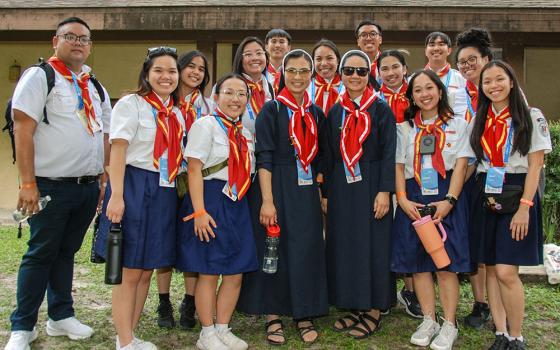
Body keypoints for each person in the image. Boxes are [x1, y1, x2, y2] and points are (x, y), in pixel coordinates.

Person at [6, 16, 111, 350]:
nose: (79, 43)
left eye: (85, 39)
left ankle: (60, 316)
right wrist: (27, 183)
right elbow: (23, 129)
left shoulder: (94, 85)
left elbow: (104, 134)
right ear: (55, 41)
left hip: (86, 186)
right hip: (49, 185)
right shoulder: (40, 77)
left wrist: (104, 176)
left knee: (66, 253)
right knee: (40, 254)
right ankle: (23, 326)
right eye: (71, 36)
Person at [237, 49, 328, 345]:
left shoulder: (315, 113)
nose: (298, 77)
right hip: (275, 185)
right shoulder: (272, 110)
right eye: (292, 71)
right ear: (282, 74)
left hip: (305, 190)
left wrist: (320, 190)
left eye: (304, 71)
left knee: (306, 247)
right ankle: (272, 313)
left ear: (310, 75)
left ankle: (304, 312)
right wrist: (267, 200)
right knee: (272, 248)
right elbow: (263, 157)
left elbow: (322, 160)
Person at [96, 46, 183, 350]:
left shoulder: (176, 113)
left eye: (171, 71)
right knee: (130, 270)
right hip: (134, 185)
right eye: (158, 70)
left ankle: (129, 336)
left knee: (147, 268)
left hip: (164, 190)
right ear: (147, 73)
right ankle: (123, 340)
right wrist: (116, 196)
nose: (165, 76)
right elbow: (118, 150)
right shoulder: (131, 104)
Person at [468, 60, 551, 350]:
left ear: (512, 82)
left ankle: (517, 336)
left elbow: (536, 165)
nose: (493, 86)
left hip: (517, 194)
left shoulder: (530, 116)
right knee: (491, 267)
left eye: (499, 79)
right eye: (487, 81)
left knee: (506, 271)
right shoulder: (479, 118)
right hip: (486, 193)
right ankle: (501, 333)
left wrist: (525, 207)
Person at [391, 70, 471, 350]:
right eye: (417, 90)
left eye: (429, 88)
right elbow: (399, 166)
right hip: (413, 197)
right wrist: (401, 198)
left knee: (445, 262)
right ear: (411, 96)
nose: (424, 94)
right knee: (418, 263)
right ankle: (429, 318)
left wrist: (450, 200)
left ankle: (449, 323)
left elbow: (461, 166)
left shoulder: (459, 125)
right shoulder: (404, 128)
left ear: (439, 91)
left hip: (444, 195)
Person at [178, 73, 258, 350]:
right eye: (229, 92)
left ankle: (223, 327)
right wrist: (199, 211)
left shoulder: (245, 134)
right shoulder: (206, 125)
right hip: (210, 199)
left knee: (235, 271)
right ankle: (207, 332)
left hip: (237, 202)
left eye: (241, 94)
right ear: (216, 97)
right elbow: (194, 169)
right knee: (209, 270)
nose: (235, 99)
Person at [322, 49, 396, 339]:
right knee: (347, 244)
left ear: (369, 75)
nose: (355, 76)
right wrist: (326, 191)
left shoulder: (380, 109)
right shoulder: (336, 110)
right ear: (341, 75)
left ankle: (375, 309)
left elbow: (390, 153)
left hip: (372, 181)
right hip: (342, 184)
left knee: (374, 245)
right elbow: (328, 154)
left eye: (361, 71)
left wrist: (384, 191)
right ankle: (355, 303)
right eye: (349, 71)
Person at [155, 50, 213, 330]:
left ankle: (189, 302)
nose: (196, 72)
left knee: (192, 242)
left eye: (201, 69)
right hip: (169, 177)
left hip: (196, 180)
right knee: (164, 239)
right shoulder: (167, 101)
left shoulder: (209, 105)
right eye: (191, 66)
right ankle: (163, 301)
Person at [377, 49, 423, 320]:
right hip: (383, 171)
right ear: (378, 73)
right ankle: (383, 291)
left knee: (409, 234)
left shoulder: (416, 95)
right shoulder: (374, 98)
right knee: (384, 233)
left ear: (405, 69)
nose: (391, 73)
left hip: (410, 172)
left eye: (396, 67)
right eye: (385, 68)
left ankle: (410, 290)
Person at [455, 27, 493, 330]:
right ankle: (481, 302)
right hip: (472, 177)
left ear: (486, 59)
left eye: (472, 60)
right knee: (476, 242)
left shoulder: (500, 89)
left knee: (495, 247)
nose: (468, 67)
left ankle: (495, 302)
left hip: (501, 179)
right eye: (462, 62)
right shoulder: (462, 93)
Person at [231, 36, 274, 137]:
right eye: (248, 54)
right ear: (240, 59)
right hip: (236, 148)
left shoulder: (269, 87)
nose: (255, 58)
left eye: (259, 53)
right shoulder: (228, 85)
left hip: (265, 148)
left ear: (266, 58)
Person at [424, 32, 468, 121]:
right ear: (425, 51)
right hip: (424, 127)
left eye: (441, 44)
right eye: (432, 45)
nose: (436, 48)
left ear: (449, 50)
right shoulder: (414, 80)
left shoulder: (462, 78)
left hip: (454, 129)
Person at [308, 39, 345, 115]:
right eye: (318, 59)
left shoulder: (347, 86)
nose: (324, 63)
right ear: (313, 62)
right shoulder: (306, 86)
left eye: (329, 58)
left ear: (337, 61)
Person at [356, 19, 383, 90]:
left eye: (373, 34)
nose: (368, 38)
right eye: (364, 35)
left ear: (380, 39)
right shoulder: (351, 66)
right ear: (358, 41)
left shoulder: (388, 63)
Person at [264, 28, 292, 96]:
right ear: (266, 46)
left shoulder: (292, 71)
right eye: (273, 41)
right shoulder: (260, 70)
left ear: (289, 47)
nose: (277, 45)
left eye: (282, 42)